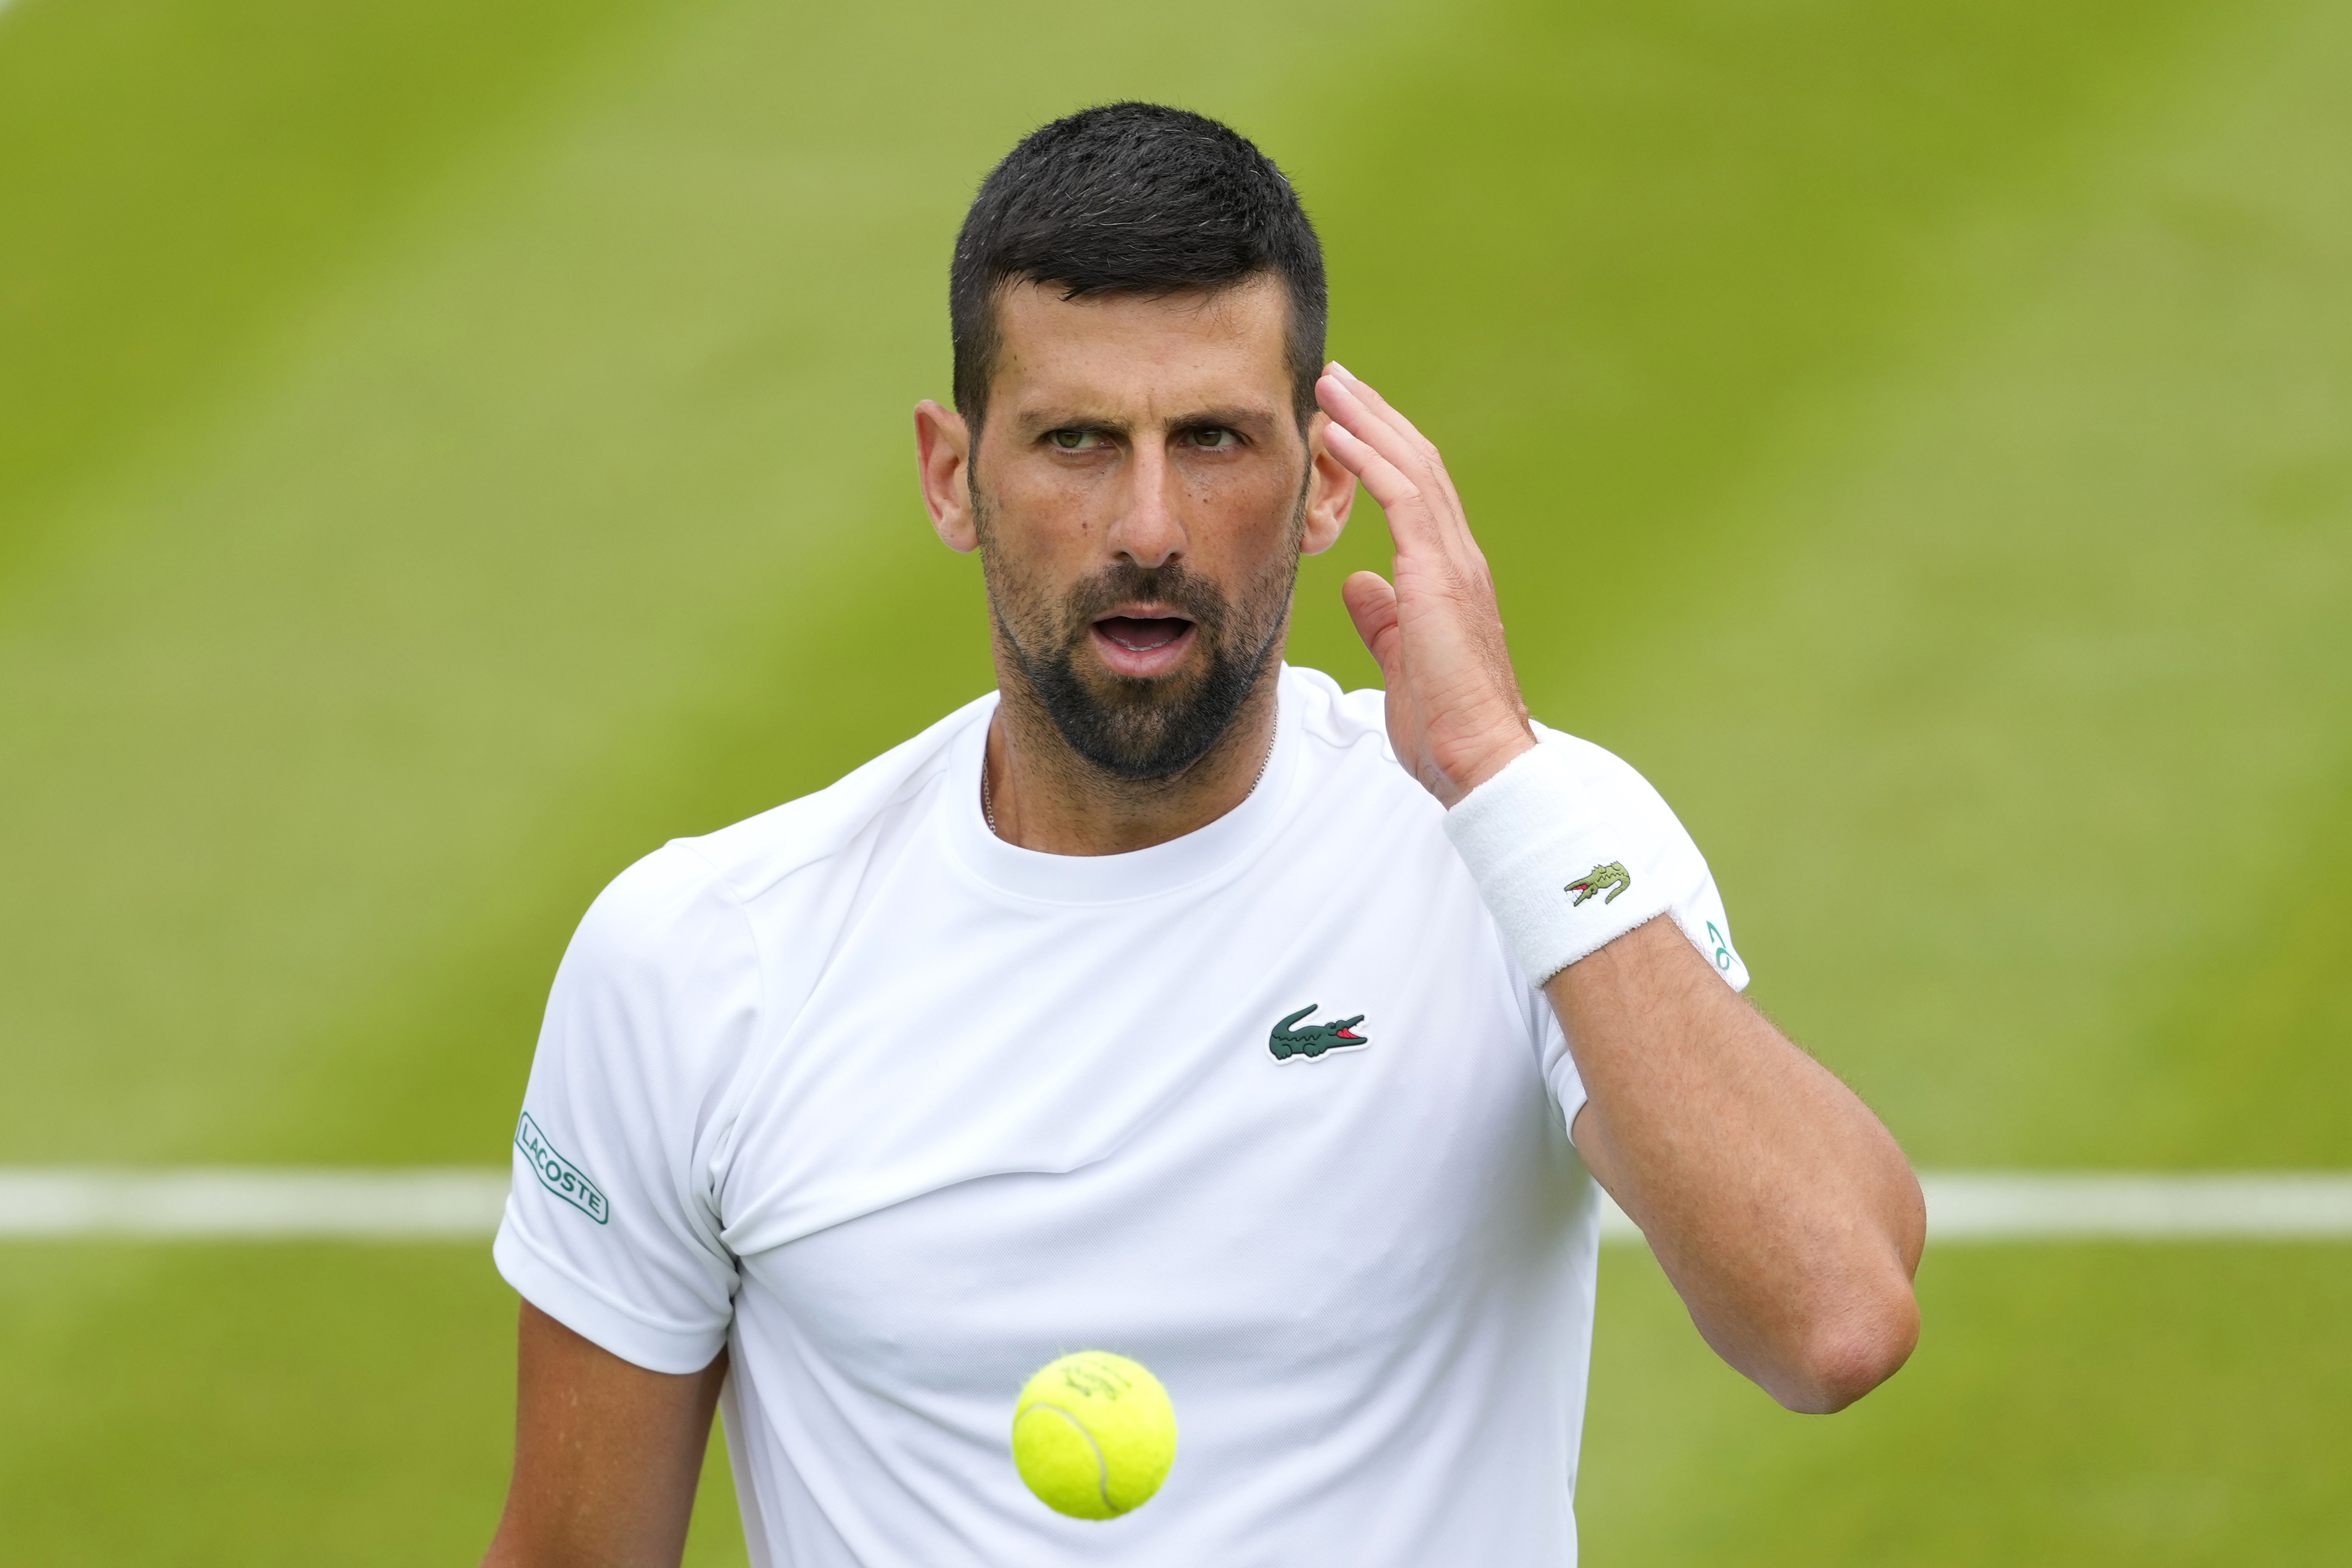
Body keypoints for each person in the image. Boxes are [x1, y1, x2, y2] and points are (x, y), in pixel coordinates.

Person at [481, 102, 1923, 1568]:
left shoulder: (1535, 849)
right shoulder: (701, 957)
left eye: (1217, 440)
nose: (1151, 525)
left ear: (1328, 483)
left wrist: (1493, 769)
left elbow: (1834, 1319)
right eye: (1079, 442)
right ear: (950, 474)